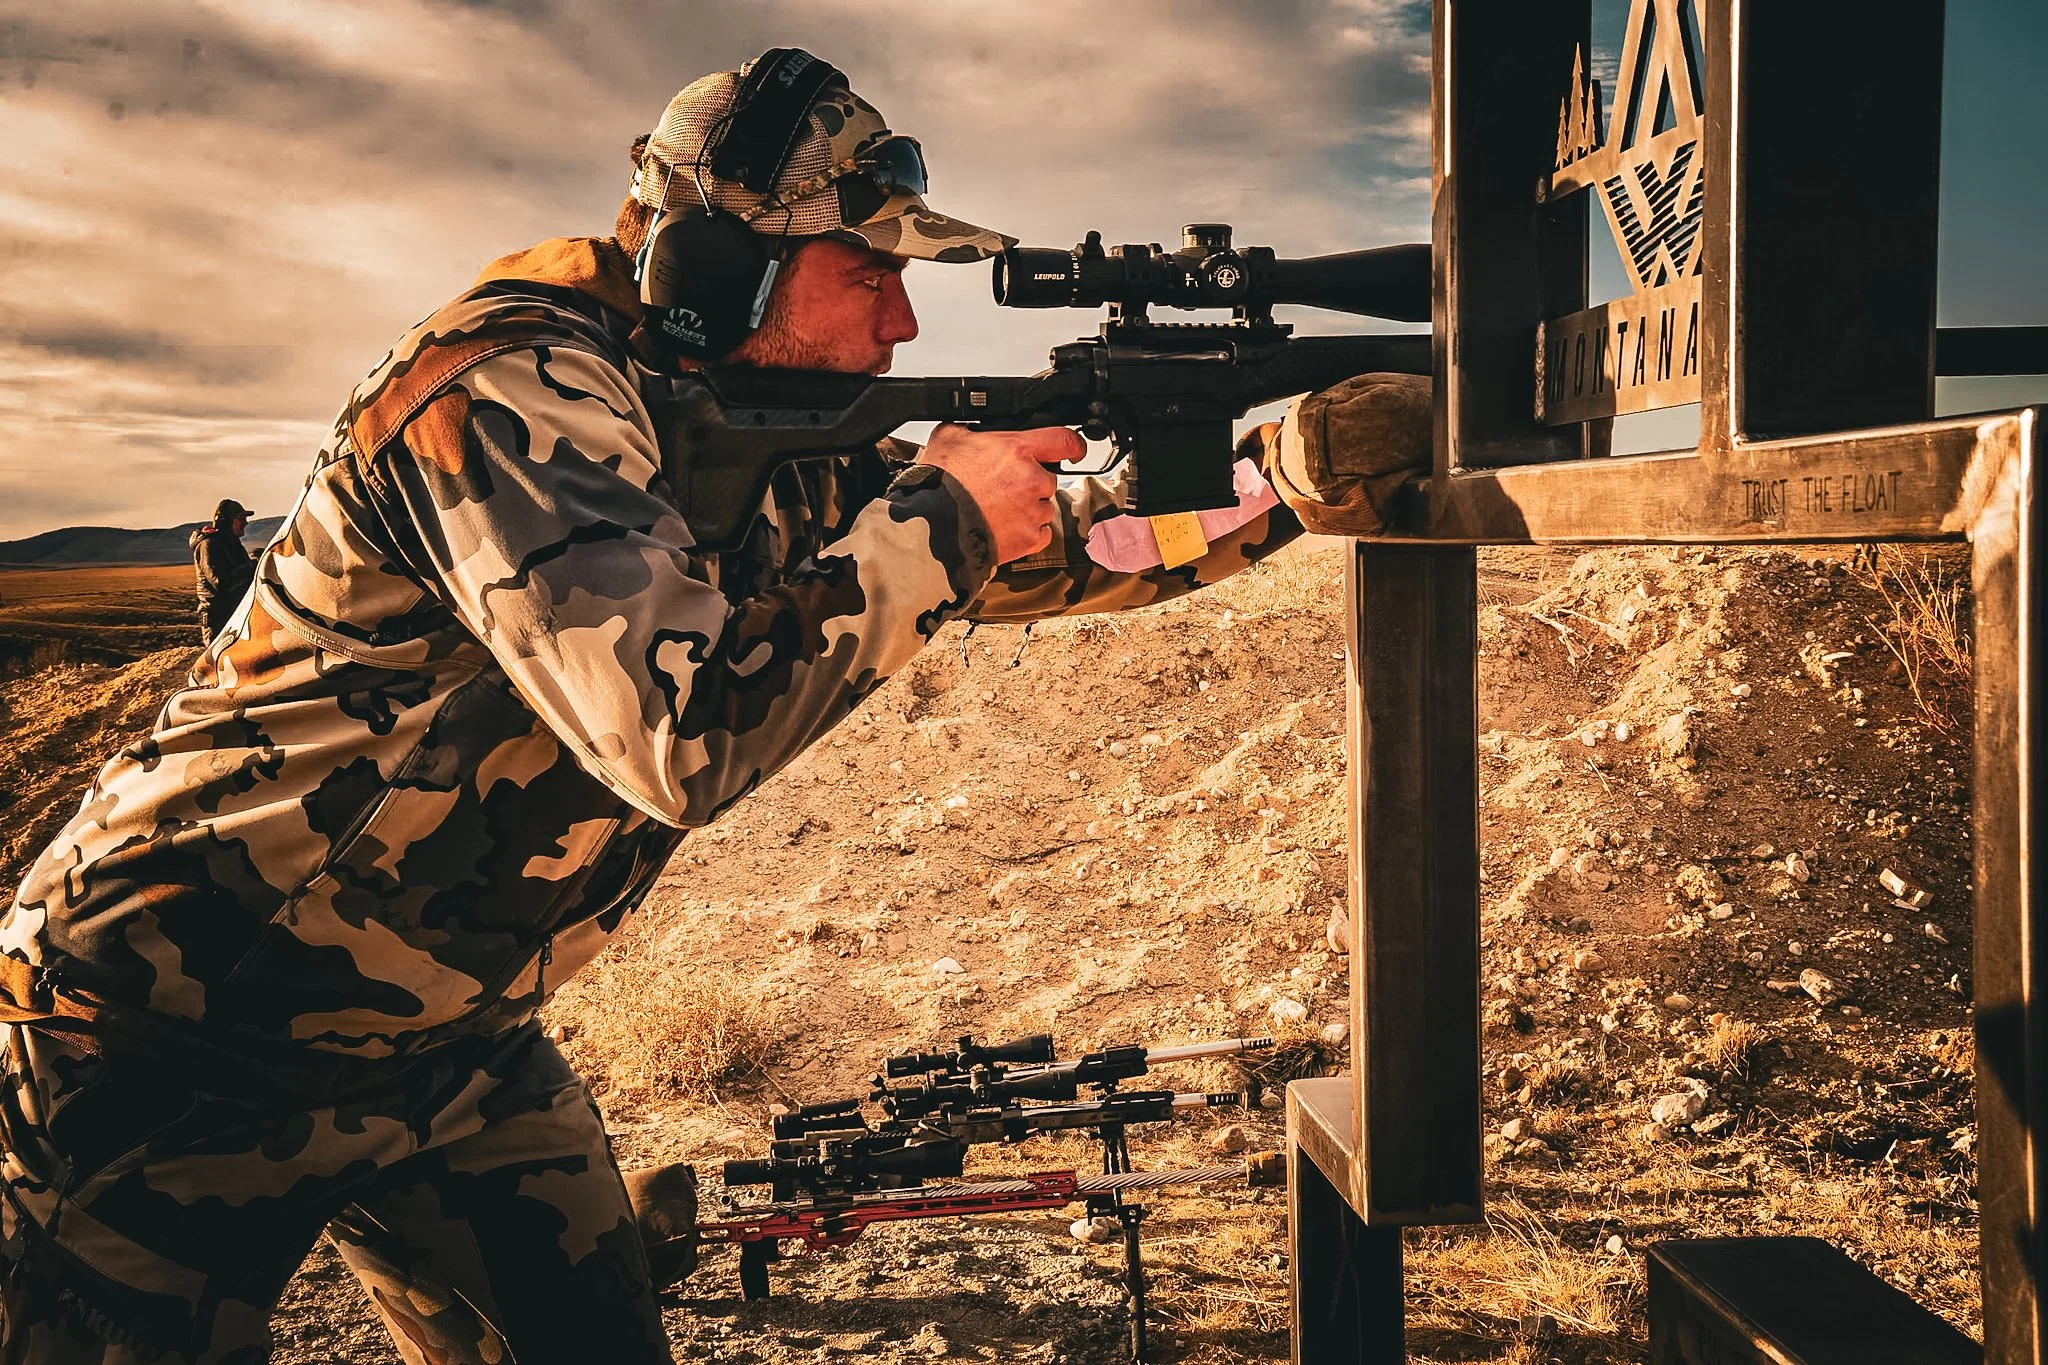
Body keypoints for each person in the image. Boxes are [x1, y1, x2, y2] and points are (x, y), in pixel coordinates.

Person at [0, 48, 1420, 1365]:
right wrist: (942, 515)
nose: (901, 317)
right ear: (712, 268)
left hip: (447, 1043)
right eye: (868, 271)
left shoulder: (763, 427)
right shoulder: (503, 386)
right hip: (160, 1027)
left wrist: (1282, 480)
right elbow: (672, 738)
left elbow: (1066, 546)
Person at [188, 497, 255, 645]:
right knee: (218, 656)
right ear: (226, 521)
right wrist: (251, 565)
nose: (245, 523)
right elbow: (221, 582)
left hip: (237, 612)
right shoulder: (208, 544)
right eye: (241, 518)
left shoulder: (233, 543)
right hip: (217, 616)